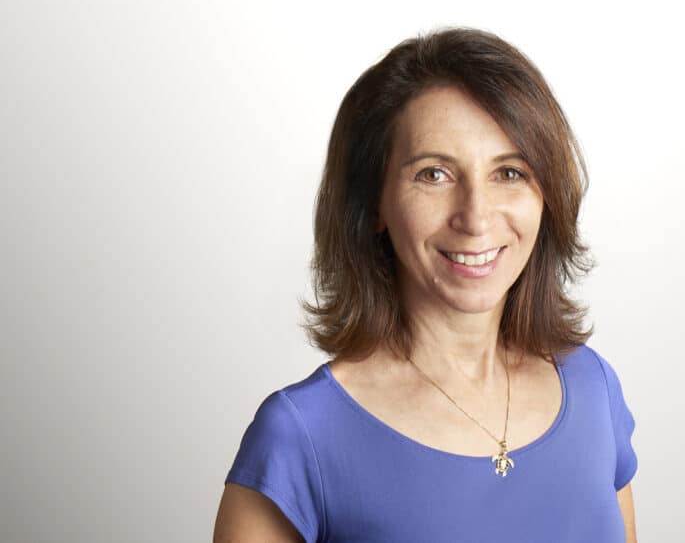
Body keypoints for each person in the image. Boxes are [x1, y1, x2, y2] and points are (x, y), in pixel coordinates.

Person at [213, 27, 638, 542]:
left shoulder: (593, 389)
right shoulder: (301, 437)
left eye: (509, 173)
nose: (476, 217)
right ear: (374, 204)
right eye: (434, 174)